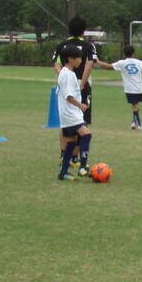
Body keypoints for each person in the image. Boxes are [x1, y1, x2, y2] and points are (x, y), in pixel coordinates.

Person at [52, 16, 98, 163]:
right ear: (84, 30)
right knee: (81, 121)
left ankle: (64, 153)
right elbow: (89, 65)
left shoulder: (62, 45)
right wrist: (81, 84)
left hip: (66, 85)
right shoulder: (89, 46)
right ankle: (74, 157)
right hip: (81, 86)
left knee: (66, 121)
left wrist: (64, 78)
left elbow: (57, 65)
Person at [56, 45, 93, 181]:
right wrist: (81, 106)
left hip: (68, 113)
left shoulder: (67, 73)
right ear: (71, 59)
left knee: (71, 142)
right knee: (86, 135)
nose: (80, 61)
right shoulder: (67, 74)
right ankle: (83, 167)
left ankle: (64, 172)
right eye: (79, 58)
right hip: (70, 113)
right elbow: (68, 96)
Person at [96, 44, 142, 130]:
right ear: (134, 53)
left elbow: (109, 66)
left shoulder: (122, 63)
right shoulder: (138, 62)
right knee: (136, 105)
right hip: (137, 87)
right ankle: (139, 124)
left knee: (134, 105)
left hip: (128, 88)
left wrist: (98, 62)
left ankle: (134, 122)